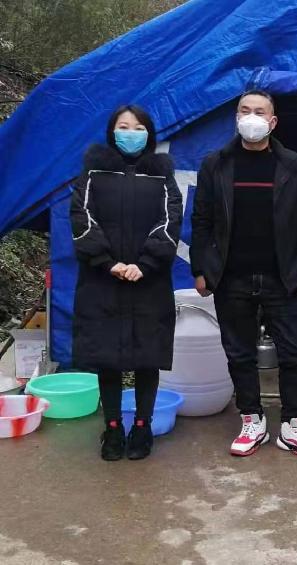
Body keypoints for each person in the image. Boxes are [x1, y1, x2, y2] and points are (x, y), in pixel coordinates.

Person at [190, 89, 297, 459]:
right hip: (231, 277)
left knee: (293, 354)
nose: (252, 117)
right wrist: (201, 269)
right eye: (244, 110)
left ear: (273, 121)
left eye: (259, 112)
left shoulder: (294, 164)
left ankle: (293, 424)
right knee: (239, 354)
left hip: (284, 276)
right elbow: (201, 220)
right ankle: (252, 420)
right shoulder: (215, 164)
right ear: (236, 118)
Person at [71, 105, 182, 461]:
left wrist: (144, 264)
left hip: (149, 282)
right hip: (102, 281)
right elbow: (81, 217)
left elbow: (171, 220)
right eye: (123, 126)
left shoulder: (161, 175)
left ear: (149, 134)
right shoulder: (93, 172)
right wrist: (108, 262)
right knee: (108, 359)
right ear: (112, 132)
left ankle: (142, 427)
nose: (130, 133)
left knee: (148, 356)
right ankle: (113, 428)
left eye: (138, 128)